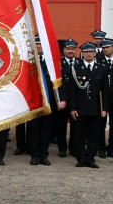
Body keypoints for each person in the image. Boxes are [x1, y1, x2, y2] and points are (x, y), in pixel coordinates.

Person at [68, 42, 109, 168]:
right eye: (86, 52)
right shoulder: (76, 68)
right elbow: (72, 90)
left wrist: (105, 108)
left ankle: (91, 158)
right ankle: (81, 158)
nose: (88, 54)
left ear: (95, 53)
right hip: (80, 108)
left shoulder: (102, 68)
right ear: (82, 54)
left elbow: (106, 90)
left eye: (91, 51)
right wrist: (73, 108)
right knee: (79, 134)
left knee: (94, 134)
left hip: (96, 108)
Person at [26, 34, 58, 166]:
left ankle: (44, 155)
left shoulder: (52, 63)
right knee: (33, 131)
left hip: (48, 102)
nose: (39, 47)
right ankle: (34, 155)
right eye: (37, 44)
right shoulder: (30, 63)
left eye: (41, 44)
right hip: (33, 102)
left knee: (46, 131)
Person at [54, 39, 79, 157]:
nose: (70, 51)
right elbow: (57, 83)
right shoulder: (59, 63)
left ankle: (74, 148)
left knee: (76, 126)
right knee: (61, 126)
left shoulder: (80, 63)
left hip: (77, 101)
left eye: (73, 49)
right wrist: (61, 99)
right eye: (68, 49)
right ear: (63, 50)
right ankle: (62, 148)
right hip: (63, 100)